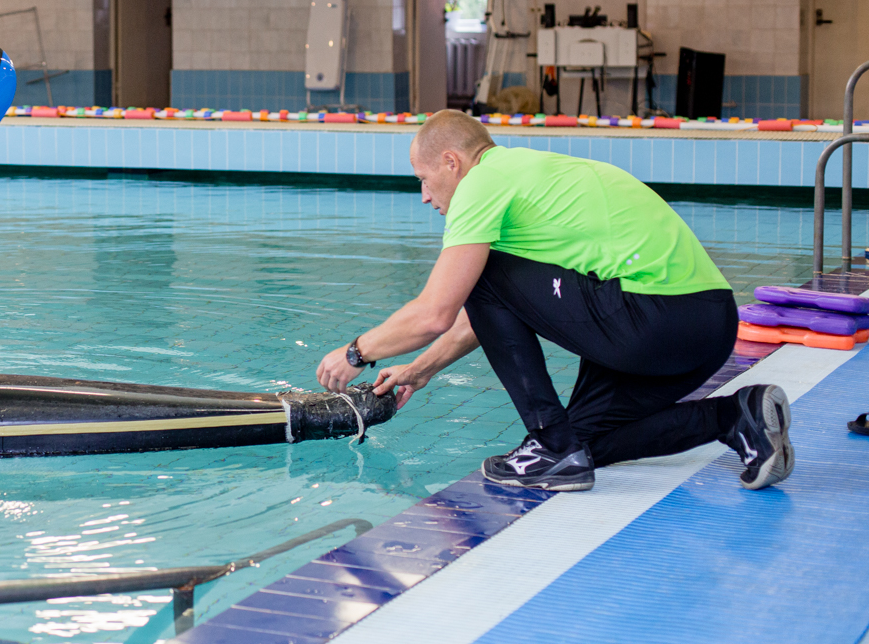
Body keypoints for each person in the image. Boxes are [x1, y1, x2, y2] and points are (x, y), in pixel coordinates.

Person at [315, 110, 792, 492]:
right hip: (708, 325)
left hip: (652, 317)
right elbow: (492, 310)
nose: (424, 196)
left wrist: (357, 351)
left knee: (555, 436)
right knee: (583, 444)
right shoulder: (532, 171)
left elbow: (437, 311)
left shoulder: (482, 183)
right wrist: (422, 370)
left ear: (451, 163)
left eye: (422, 178)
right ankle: (735, 416)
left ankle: (547, 440)